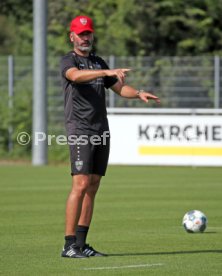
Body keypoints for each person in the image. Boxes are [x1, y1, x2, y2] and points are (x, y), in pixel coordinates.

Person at [60, 15, 160, 258]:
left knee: (93, 186)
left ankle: (82, 244)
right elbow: (75, 76)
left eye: (89, 33)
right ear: (72, 36)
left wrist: (137, 93)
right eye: (81, 34)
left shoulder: (97, 62)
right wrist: (104, 71)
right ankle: (68, 245)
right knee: (80, 184)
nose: (86, 38)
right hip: (80, 130)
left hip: (100, 129)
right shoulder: (69, 60)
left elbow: (118, 87)